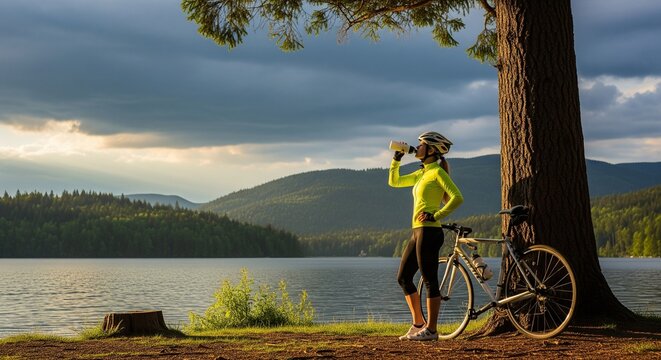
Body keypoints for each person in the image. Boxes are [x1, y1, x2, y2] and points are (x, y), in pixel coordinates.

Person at [388, 131, 463, 341]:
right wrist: (396, 159)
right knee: (403, 277)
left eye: (421, 145)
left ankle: (431, 330)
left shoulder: (438, 172)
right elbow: (394, 182)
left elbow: (457, 198)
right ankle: (418, 324)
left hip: (430, 231)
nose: (417, 147)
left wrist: (436, 214)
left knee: (429, 280)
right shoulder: (422, 173)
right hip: (417, 230)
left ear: (431, 150)